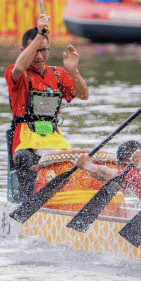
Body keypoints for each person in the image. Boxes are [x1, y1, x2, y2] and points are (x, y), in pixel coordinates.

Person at [6, 10, 90, 195]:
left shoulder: (58, 74)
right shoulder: (16, 73)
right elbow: (20, 67)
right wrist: (40, 34)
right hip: (25, 142)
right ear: (24, 51)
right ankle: (28, 202)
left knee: (81, 161)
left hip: (53, 138)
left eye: (44, 50)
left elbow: (84, 95)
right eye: (35, 50)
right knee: (24, 158)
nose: (40, 56)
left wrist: (74, 72)